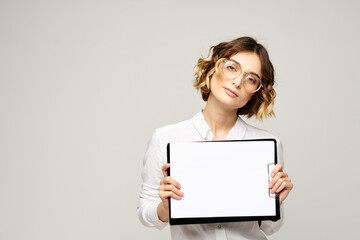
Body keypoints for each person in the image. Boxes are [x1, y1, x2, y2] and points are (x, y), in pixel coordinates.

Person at [137, 36, 293, 240]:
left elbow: (270, 228)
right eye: (231, 67)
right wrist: (165, 207)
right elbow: (144, 213)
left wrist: (276, 203)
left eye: (251, 79)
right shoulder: (166, 138)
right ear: (213, 69)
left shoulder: (266, 146)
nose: (237, 82)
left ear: (254, 93)